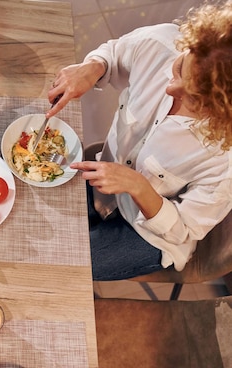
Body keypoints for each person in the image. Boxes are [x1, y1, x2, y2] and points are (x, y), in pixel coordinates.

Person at [46, 1, 232, 281]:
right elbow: (114, 53)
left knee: (65, 263)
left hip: (149, 234)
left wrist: (138, 187)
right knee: (38, 218)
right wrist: (94, 66)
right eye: (180, 68)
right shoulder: (162, 42)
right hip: (102, 184)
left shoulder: (225, 159)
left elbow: (182, 229)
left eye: (193, 99)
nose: (170, 88)